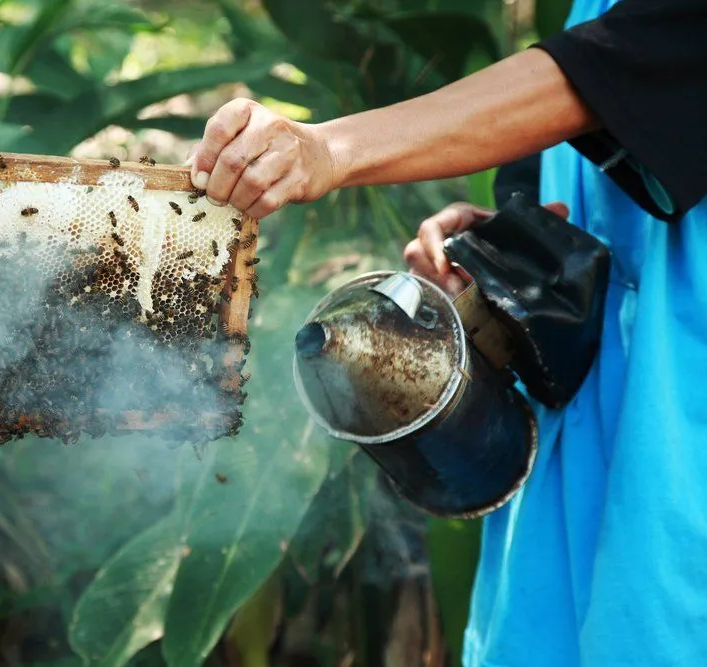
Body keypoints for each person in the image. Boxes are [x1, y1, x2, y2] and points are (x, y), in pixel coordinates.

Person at [190, 0, 707, 665]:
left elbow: (598, 75)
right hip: (574, 452)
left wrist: (328, 147)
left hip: (674, 448)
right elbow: (582, 188)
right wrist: (500, 247)